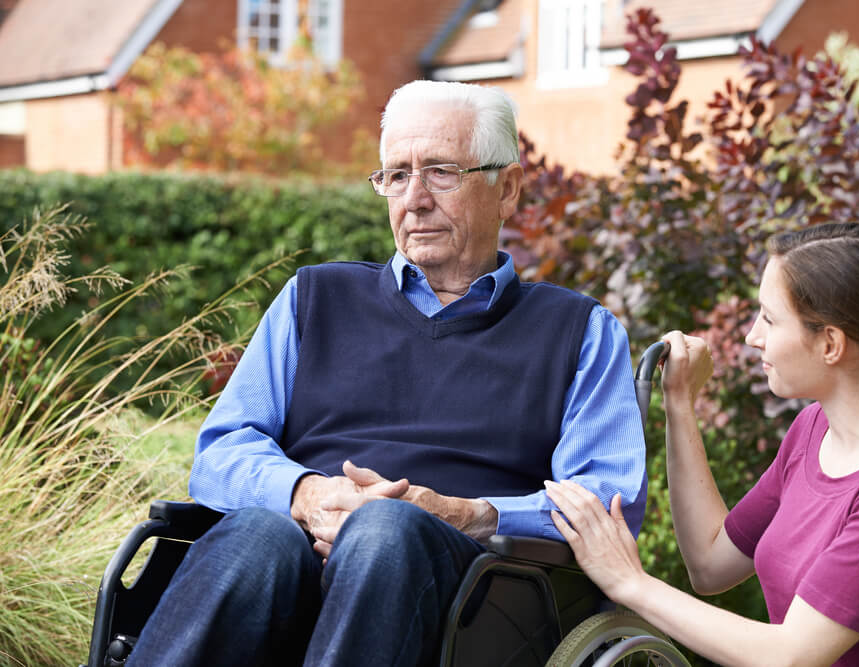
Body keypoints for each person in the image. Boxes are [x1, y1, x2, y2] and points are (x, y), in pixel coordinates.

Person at [126, 80, 648, 666]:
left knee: (383, 532)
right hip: (298, 556)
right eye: (396, 175)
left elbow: (608, 502)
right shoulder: (314, 298)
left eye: (441, 172)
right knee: (258, 534)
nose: (415, 198)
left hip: (473, 595)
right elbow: (220, 452)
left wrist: (470, 513)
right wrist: (308, 494)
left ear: (508, 189)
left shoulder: (578, 330)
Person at [546, 222, 859, 666]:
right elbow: (710, 564)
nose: (752, 336)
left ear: (831, 344)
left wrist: (630, 583)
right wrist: (679, 403)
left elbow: (791, 654)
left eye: (769, 317)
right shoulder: (813, 430)